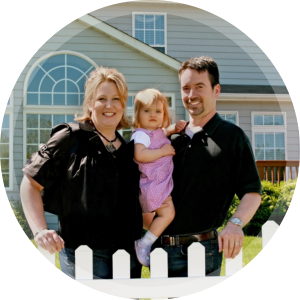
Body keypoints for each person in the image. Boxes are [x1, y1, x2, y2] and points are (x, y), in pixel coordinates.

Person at [20, 67, 143, 279]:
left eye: (116, 98)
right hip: (83, 255)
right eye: (101, 98)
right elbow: (30, 183)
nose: (109, 105)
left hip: (127, 256)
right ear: (89, 103)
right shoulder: (70, 137)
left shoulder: (129, 150)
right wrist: (39, 230)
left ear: (123, 104)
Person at [148, 56, 262, 277]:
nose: (191, 95)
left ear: (216, 90)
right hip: (160, 250)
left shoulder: (231, 137)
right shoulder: (170, 139)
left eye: (199, 87)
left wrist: (235, 224)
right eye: (186, 88)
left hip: (203, 251)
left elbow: (252, 191)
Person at [130, 89, 185, 267]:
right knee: (168, 213)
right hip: (152, 185)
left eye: (158, 111)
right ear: (138, 115)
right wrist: (162, 151)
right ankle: (145, 243)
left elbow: (163, 132)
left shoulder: (157, 132)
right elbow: (140, 155)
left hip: (158, 183)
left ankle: (147, 240)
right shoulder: (141, 135)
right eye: (147, 111)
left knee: (164, 214)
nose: (153, 115)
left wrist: (174, 128)